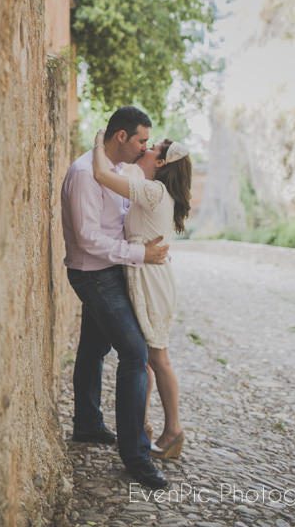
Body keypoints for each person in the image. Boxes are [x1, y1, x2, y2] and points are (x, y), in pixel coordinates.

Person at [61, 106, 170, 490]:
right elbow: (89, 239)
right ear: (121, 137)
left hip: (112, 270)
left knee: (93, 348)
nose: (144, 147)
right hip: (93, 275)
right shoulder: (82, 175)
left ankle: (88, 425)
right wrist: (142, 255)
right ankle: (136, 456)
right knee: (135, 354)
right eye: (141, 139)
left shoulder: (121, 171)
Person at [91, 129, 192, 460]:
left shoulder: (153, 191)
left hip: (150, 281)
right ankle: (142, 425)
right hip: (144, 275)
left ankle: (174, 430)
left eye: (153, 148)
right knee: (145, 359)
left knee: (157, 357)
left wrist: (98, 142)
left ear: (160, 162)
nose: (146, 149)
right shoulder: (155, 192)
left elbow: (101, 174)